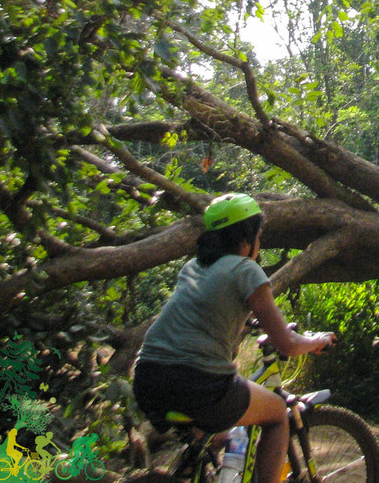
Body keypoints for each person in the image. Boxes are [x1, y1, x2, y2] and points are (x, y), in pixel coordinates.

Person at [133, 193, 334, 483]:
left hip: (148, 377)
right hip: (199, 384)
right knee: (277, 414)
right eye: (259, 237)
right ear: (246, 238)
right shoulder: (245, 270)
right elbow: (287, 345)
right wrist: (317, 340)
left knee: (216, 421)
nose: (259, 245)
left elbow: (209, 308)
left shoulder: (192, 267)